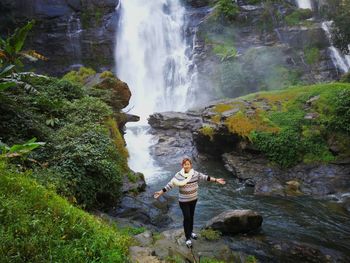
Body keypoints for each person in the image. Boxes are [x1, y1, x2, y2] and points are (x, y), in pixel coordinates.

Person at [153, 157, 226, 248]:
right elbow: (170, 185)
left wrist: (216, 180)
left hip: (193, 199)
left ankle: (191, 232)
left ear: (190, 165)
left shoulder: (195, 174)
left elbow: (205, 177)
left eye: (188, 164)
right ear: (182, 166)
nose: (186, 166)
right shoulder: (178, 175)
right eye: (185, 164)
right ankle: (187, 238)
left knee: (191, 217)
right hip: (183, 201)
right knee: (187, 217)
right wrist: (161, 192)